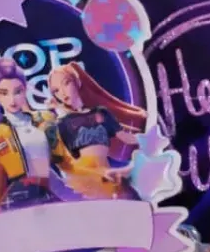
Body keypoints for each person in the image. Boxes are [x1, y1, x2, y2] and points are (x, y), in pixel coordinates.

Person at [0, 57, 68, 211]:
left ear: (25, 90)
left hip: (54, 191)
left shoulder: (45, 118)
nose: (12, 99)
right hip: (19, 203)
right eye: (4, 93)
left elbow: (65, 161)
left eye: (17, 91)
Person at [47, 63, 146, 198]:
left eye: (66, 83)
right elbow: (66, 164)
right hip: (84, 179)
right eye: (56, 91)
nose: (62, 93)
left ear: (77, 82)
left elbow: (126, 137)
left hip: (107, 176)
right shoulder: (62, 123)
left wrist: (148, 140)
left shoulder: (101, 113)